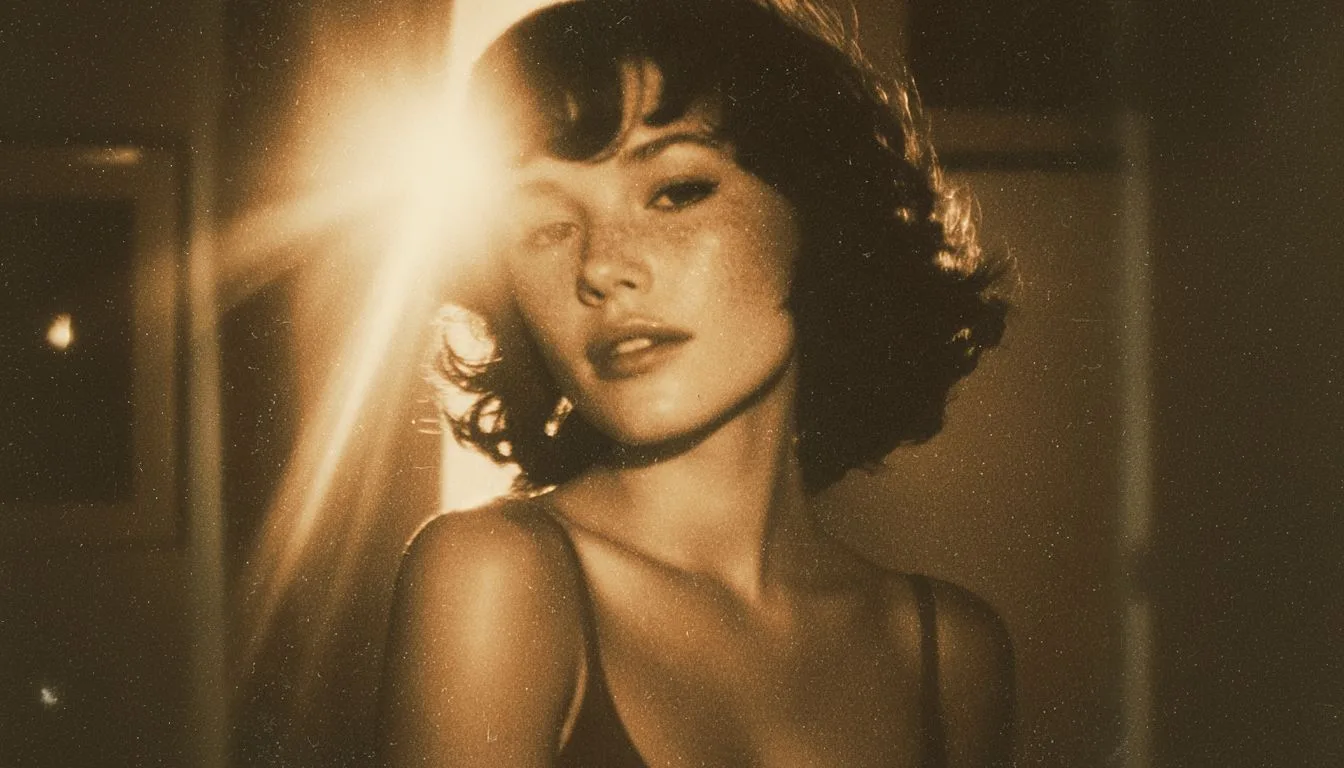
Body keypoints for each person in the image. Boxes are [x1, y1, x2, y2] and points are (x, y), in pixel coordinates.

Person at [379, 0, 1013, 765]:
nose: (601, 266)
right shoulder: (495, 579)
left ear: (817, 215)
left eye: (675, 191)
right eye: (545, 227)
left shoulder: (949, 653)